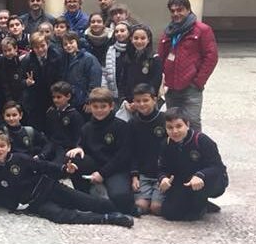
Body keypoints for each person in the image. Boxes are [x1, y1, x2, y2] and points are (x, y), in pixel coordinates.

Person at [0, 132, 133, 227]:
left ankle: (124, 210)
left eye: (1, 146)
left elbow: (44, 165)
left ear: (8, 146)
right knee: (60, 216)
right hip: (36, 203)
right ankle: (107, 219)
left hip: (49, 188)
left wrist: (64, 169)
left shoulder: (20, 158)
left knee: (86, 201)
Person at [66, 87, 137, 215]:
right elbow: (82, 144)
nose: (99, 110)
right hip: (94, 165)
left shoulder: (121, 126)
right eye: (96, 106)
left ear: (111, 106)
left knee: (122, 200)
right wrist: (79, 148)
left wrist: (102, 174)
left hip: (115, 169)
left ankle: (105, 192)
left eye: (103, 106)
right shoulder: (87, 127)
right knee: (74, 158)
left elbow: (122, 156)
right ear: (90, 107)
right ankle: (86, 194)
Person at [156, 0, 218, 131]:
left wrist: (198, 81)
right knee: (173, 122)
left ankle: (196, 150)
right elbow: (161, 56)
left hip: (191, 86)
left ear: (188, 10)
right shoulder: (169, 31)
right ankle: (176, 150)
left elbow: (211, 57)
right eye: (172, 11)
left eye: (180, 10)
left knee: (192, 121)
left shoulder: (202, 30)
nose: (176, 14)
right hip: (171, 87)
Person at [157, 108, 228, 221]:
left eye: (179, 126)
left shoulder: (201, 140)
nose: (174, 131)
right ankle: (200, 203)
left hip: (209, 180)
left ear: (187, 125)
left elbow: (217, 167)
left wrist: (201, 175)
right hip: (185, 181)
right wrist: (163, 178)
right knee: (169, 213)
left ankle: (200, 204)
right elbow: (162, 168)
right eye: (170, 127)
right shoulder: (166, 144)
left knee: (192, 216)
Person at [128, 83, 167, 215]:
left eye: (146, 100)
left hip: (161, 173)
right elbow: (131, 151)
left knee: (156, 208)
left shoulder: (164, 120)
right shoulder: (133, 123)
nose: (142, 104)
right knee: (141, 207)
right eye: (138, 101)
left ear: (154, 100)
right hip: (143, 174)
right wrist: (134, 176)